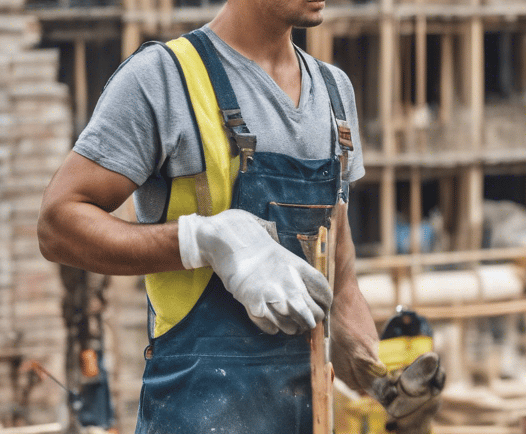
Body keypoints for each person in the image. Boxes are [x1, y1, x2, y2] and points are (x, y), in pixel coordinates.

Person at [37, 0, 441, 431]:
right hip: (194, 414)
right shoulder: (166, 80)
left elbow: (339, 283)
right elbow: (59, 224)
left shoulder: (334, 93)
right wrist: (203, 240)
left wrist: (378, 380)